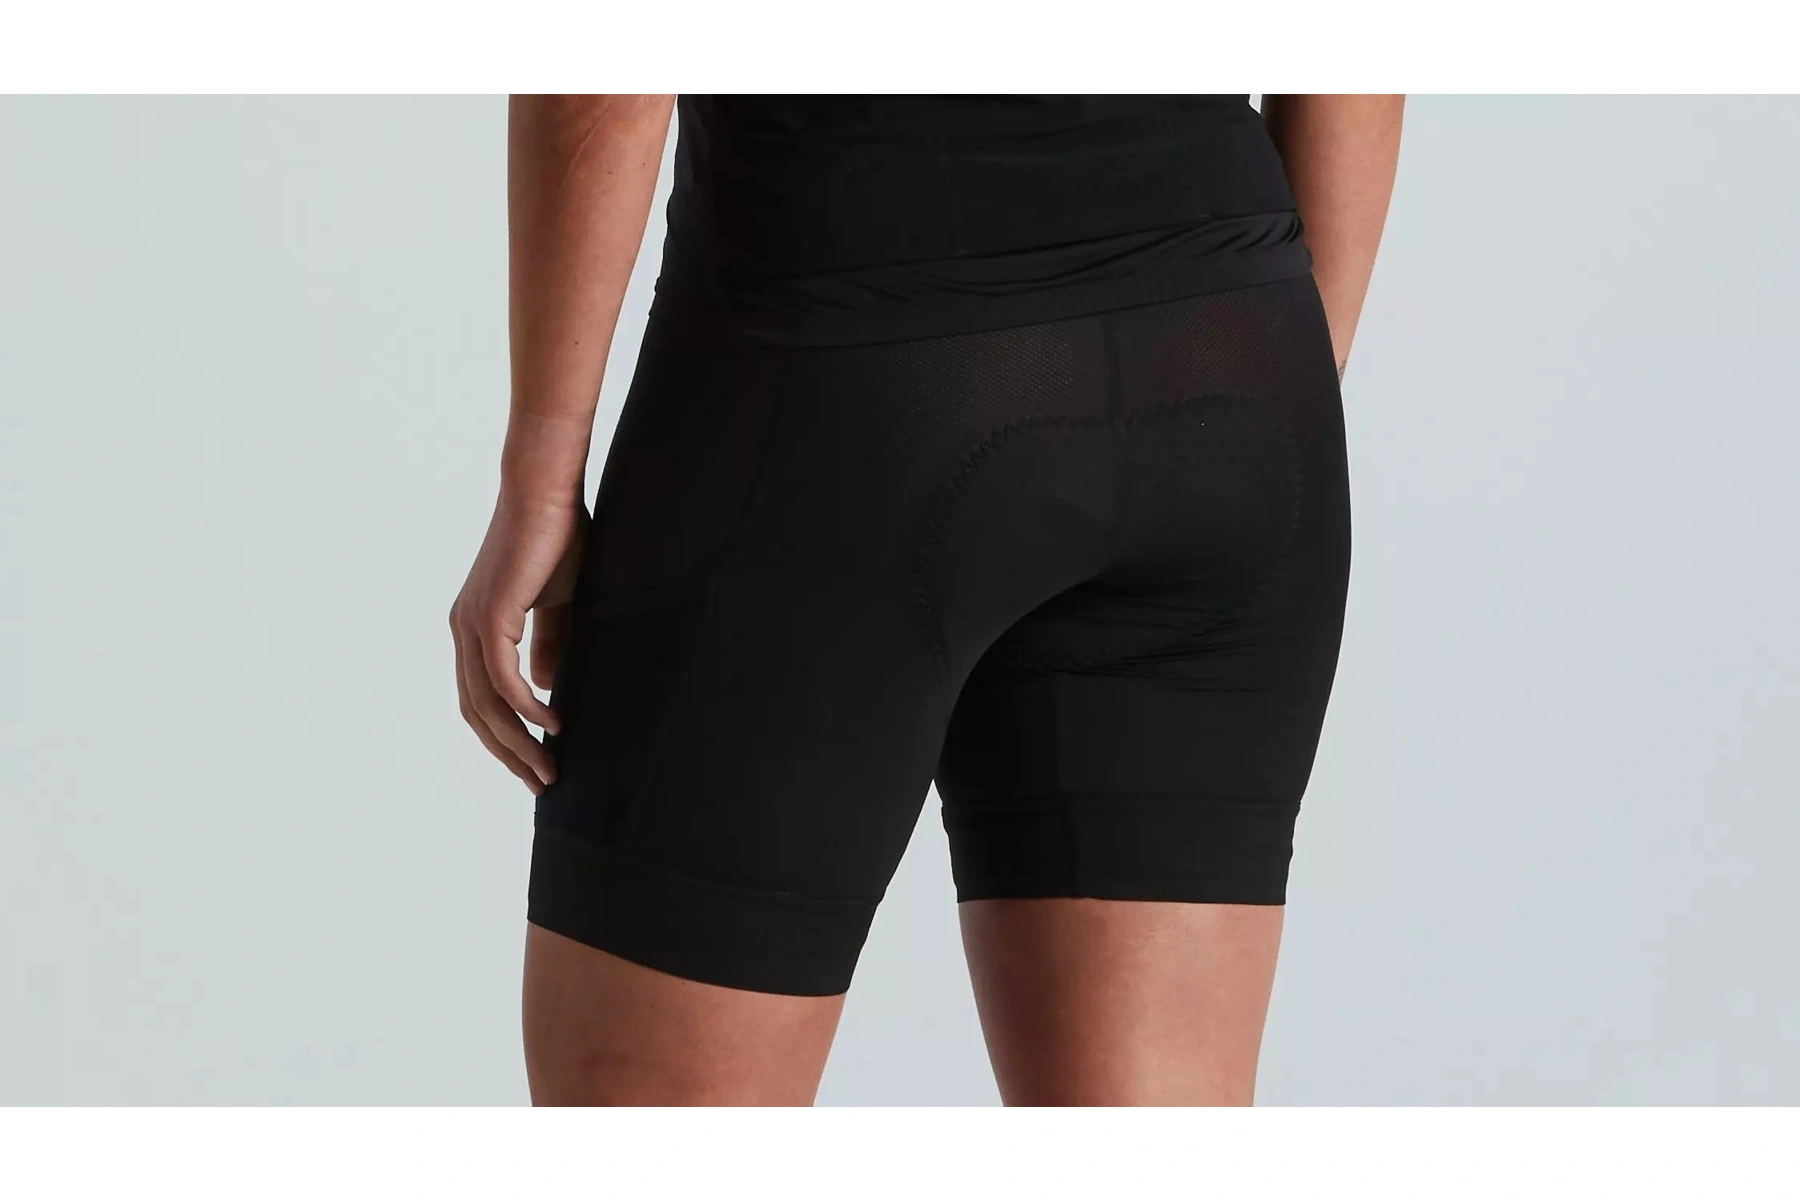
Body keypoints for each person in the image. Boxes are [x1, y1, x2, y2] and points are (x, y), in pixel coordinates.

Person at [451, 94, 1403, 1105]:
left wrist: (541, 475)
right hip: (1231, 372)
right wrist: (1280, 372)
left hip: (843, 373)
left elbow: (606, 90)